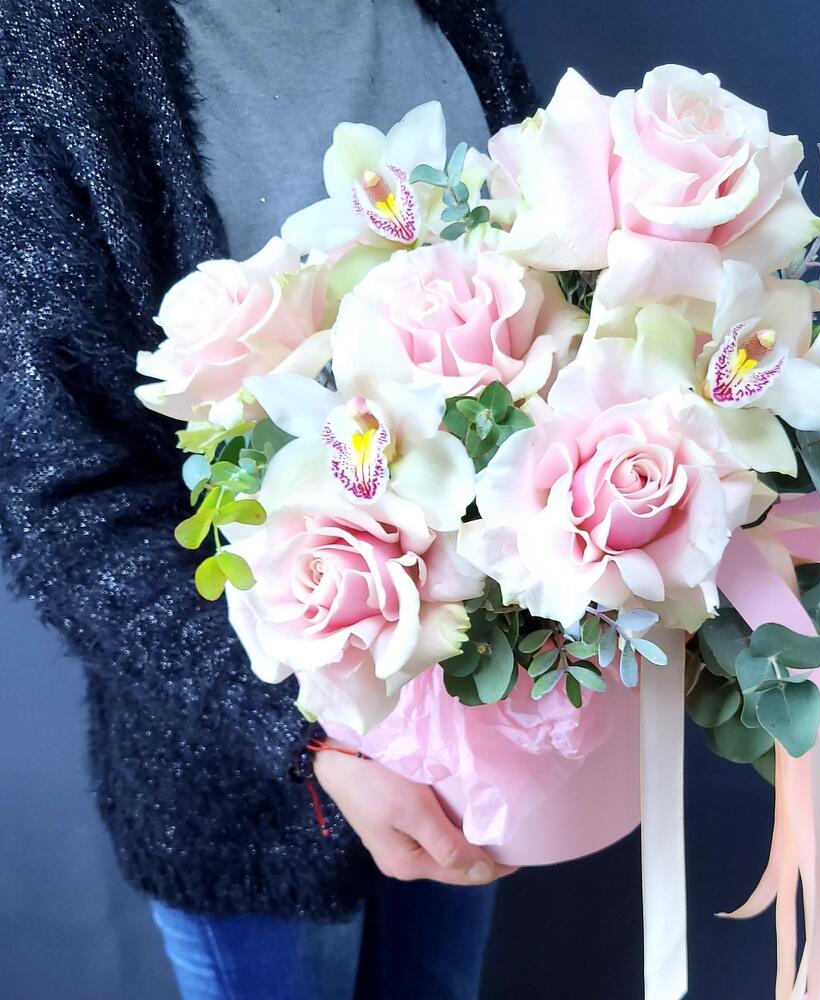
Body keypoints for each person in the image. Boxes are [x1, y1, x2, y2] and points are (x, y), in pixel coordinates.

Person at [0, 2, 537, 997]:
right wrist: (307, 734)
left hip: (483, 726)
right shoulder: (58, 49)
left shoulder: (447, 14)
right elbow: (62, 500)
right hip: (252, 782)